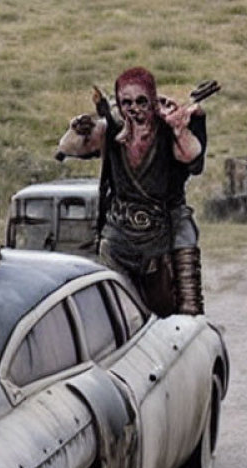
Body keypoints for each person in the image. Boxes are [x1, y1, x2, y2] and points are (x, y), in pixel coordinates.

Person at [56, 67, 208, 316]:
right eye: (126, 102)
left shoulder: (168, 128)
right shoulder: (110, 131)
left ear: (152, 100)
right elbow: (69, 147)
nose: (134, 109)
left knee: (185, 236)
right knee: (112, 299)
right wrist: (77, 129)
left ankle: (191, 315)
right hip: (121, 230)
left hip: (165, 220)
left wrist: (179, 128)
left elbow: (191, 155)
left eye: (141, 101)